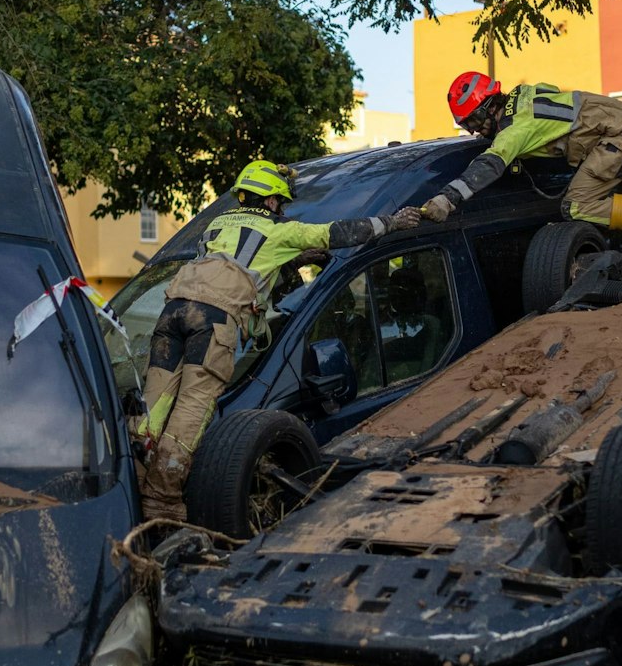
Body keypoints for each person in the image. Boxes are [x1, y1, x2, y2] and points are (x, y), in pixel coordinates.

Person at [133, 160, 424, 520]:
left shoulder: (215, 225)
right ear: (271, 202)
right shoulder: (280, 230)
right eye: (280, 204)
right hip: (212, 321)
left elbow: (237, 260)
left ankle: (133, 485)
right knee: (193, 407)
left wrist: (293, 258)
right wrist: (393, 222)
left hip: (173, 312)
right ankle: (161, 503)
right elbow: (338, 233)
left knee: (153, 406)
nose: (281, 210)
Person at [422, 72, 622, 270]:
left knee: (576, 205)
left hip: (621, 136)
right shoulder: (526, 95)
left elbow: (490, 162)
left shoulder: (514, 131)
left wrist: (446, 200)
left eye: (473, 123)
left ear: (489, 107)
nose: (474, 132)